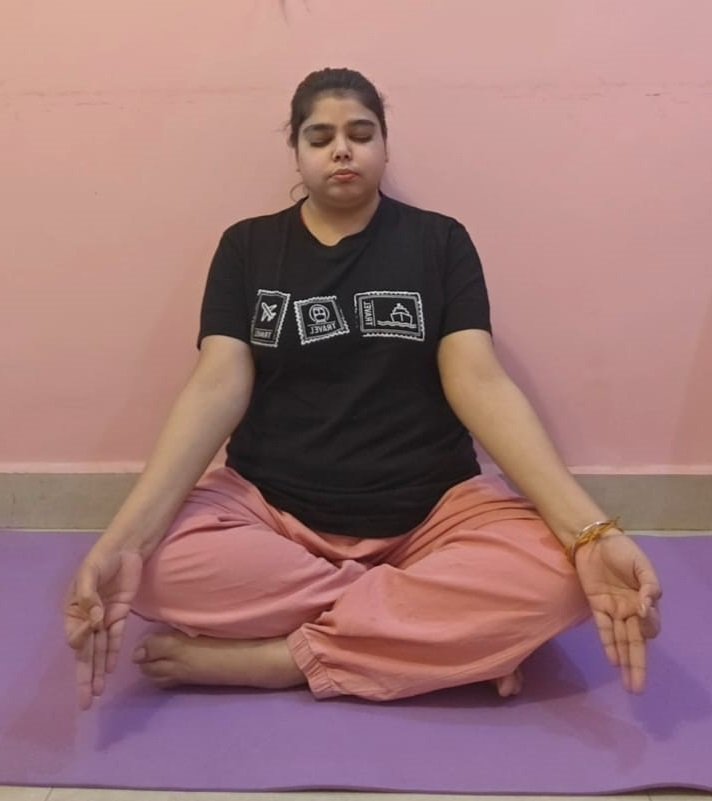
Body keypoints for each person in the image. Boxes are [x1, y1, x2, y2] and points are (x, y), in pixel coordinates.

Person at [64, 67, 662, 711]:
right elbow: (216, 385)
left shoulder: (440, 241)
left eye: (360, 133)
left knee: (562, 577)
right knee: (154, 569)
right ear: (296, 150)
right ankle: (438, 637)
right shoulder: (246, 247)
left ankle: (285, 659)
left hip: (432, 516)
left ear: (384, 144)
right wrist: (123, 542)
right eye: (320, 137)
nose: (342, 150)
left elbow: (480, 380)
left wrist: (591, 534)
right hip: (274, 515)